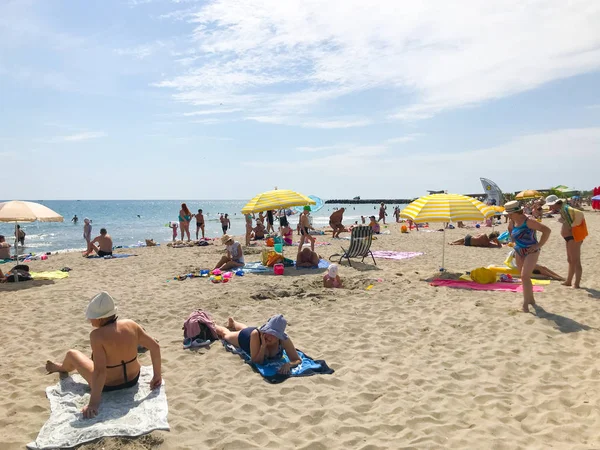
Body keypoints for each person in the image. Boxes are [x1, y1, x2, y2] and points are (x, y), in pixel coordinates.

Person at [45, 292, 162, 419]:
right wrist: (157, 376)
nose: (89, 320)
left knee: (72, 354)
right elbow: (155, 347)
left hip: (109, 385)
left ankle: (62, 368)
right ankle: (62, 367)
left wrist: (93, 404)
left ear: (100, 318)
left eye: (91, 317)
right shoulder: (131, 324)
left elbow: (100, 372)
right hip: (133, 379)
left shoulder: (97, 336)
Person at [505, 201, 551, 312]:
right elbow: (510, 230)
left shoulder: (529, 221)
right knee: (524, 277)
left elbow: (547, 230)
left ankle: (525, 304)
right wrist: (513, 241)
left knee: (525, 276)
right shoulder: (512, 221)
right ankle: (531, 300)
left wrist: (538, 245)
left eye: (510, 213)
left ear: (517, 212)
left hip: (531, 250)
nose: (508, 216)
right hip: (518, 250)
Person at [215, 315, 301, 374]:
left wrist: (289, 364)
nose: (269, 337)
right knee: (226, 335)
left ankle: (234, 323)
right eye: (268, 332)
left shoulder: (284, 340)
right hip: (246, 338)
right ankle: (212, 324)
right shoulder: (256, 334)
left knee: (246, 328)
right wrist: (263, 346)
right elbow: (256, 361)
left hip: (252, 333)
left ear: (279, 336)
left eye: (273, 335)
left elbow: (297, 359)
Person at [546, 195, 587, 288]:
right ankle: (569, 281)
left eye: (551, 205)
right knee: (570, 260)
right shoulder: (563, 209)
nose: (550, 207)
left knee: (576, 260)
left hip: (573, 237)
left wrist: (572, 225)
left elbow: (580, 214)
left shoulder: (566, 208)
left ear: (556, 203)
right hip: (569, 237)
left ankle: (576, 284)